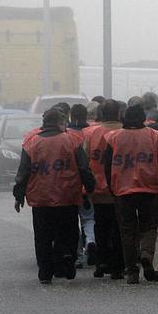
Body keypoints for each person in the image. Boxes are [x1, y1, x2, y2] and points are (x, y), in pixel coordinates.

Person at [13, 109, 96, 284]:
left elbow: (23, 172)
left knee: (43, 236)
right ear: (61, 122)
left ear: (44, 123)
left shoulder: (31, 143)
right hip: (67, 195)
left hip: (40, 198)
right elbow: (83, 168)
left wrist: (18, 195)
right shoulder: (72, 141)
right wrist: (89, 188)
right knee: (68, 232)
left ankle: (45, 272)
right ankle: (66, 258)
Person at [103, 105, 158, 284]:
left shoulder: (113, 137)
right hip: (150, 187)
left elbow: (107, 165)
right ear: (143, 118)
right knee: (150, 225)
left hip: (123, 189)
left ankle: (132, 271)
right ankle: (146, 254)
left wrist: (112, 187)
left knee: (127, 230)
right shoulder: (155, 136)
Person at [83, 99, 125, 279]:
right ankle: (117, 266)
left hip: (98, 188)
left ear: (101, 114)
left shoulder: (91, 133)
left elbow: (85, 161)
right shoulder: (125, 132)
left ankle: (102, 262)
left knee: (101, 226)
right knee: (119, 228)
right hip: (122, 188)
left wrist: (86, 188)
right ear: (119, 113)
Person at [67, 103, 96, 268]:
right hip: (88, 183)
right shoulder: (91, 132)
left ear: (71, 116)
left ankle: (78, 256)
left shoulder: (66, 135)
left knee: (72, 222)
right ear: (86, 116)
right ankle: (91, 240)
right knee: (88, 218)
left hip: (71, 185)